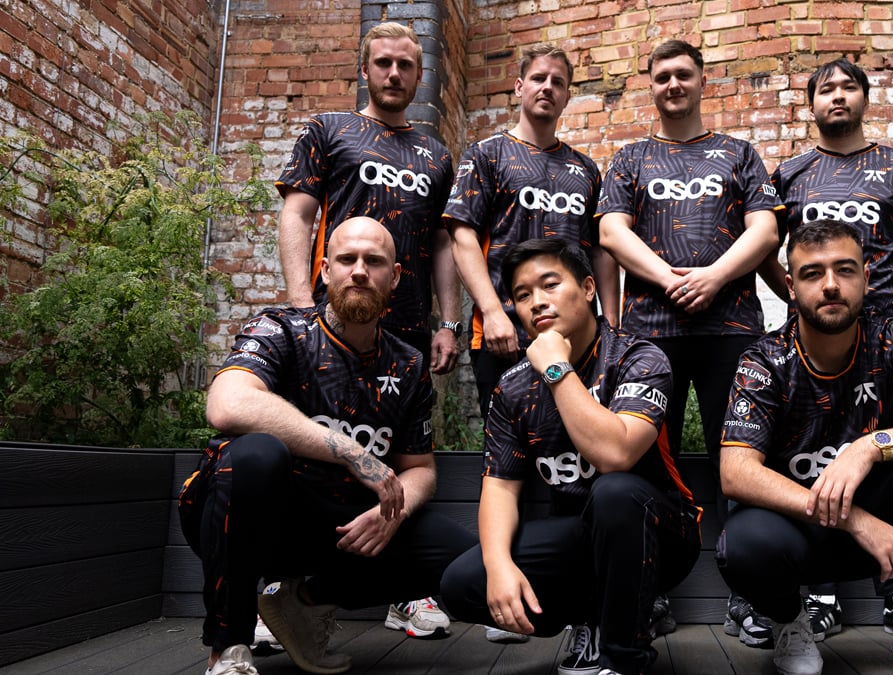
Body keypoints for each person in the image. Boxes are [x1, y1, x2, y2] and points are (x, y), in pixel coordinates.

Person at [178, 217, 476, 675]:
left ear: (394, 277)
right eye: (347, 259)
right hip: (252, 517)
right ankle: (230, 644)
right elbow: (226, 403)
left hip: (339, 529)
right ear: (325, 270)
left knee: (456, 557)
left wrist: (391, 513)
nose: (359, 271)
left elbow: (420, 468)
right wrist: (354, 453)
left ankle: (303, 603)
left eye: (374, 262)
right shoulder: (280, 329)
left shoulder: (409, 363)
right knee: (255, 455)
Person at [716, 218, 893, 675]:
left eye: (845, 270)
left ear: (866, 277)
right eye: (812, 273)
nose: (830, 285)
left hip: (888, 527)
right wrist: (856, 520)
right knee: (743, 543)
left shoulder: (891, 337)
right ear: (790, 286)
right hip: (806, 531)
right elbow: (736, 471)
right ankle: (791, 622)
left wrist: (870, 446)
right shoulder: (765, 360)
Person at [274, 21, 462, 637]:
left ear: (418, 74)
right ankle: (274, 591)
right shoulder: (329, 130)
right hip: (333, 323)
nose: (394, 74)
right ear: (365, 68)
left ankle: (400, 593)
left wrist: (448, 321)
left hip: (403, 330)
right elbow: (298, 212)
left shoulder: (436, 153)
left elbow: (440, 243)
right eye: (382, 63)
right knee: (310, 450)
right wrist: (303, 304)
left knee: (395, 455)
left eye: (406, 66)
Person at [440, 239, 702, 675]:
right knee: (464, 583)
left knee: (615, 491)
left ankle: (624, 660)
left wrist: (557, 370)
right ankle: (594, 619)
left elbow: (615, 454)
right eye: (522, 296)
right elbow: (501, 487)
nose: (536, 302)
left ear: (586, 288)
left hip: (662, 535)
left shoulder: (638, 357)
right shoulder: (514, 387)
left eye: (549, 285)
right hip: (580, 535)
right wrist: (500, 567)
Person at [596, 38, 781, 649]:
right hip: (651, 335)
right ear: (650, 87)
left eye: (683, 75)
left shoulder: (739, 154)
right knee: (648, 466)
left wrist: (714, 276)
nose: (672, 85)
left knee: (747, 461)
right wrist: (670, 277)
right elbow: (612, 232)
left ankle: (752, 600)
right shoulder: (630, 159)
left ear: (704, 82)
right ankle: (648, 596)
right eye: (661, 77)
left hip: (732, 329)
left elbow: (767, 228)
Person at [766, 56, 893, 644]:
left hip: (888, 337)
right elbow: (771, 252)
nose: (837, 97)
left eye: (848, 87)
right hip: (819, 337)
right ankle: (820, 588)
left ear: (865, 98)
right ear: (810, 105)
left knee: (888, 459)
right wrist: (802, 301)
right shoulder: (789, 173)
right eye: (825, 89)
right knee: (820, 451)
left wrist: (884, 293)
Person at [445, 43, 618, 422]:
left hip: (577, 337)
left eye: (558, 82)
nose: (547, 87)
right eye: (539, 78)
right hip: (504, 331)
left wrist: (612, 325)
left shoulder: (586, 169)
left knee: (577, 442)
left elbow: (602, 251)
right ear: (519, 87)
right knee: (510, 449)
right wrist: (492, 313)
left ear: (567, 95)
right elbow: (462, 238)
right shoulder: (486, 154)